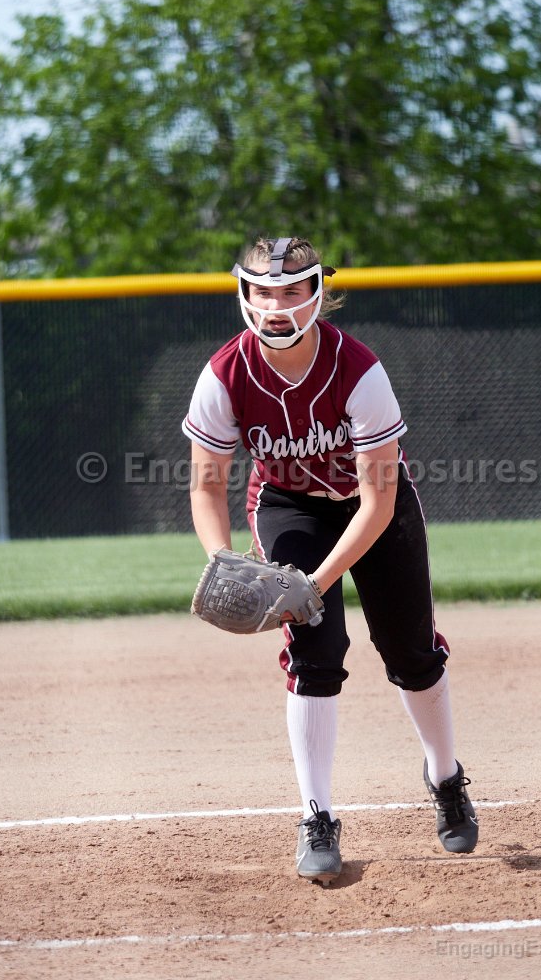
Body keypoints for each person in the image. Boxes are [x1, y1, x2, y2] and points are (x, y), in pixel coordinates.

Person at [182, 236, 478, 885]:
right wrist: (224, 560)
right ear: (244, 295)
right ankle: (316, 816)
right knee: (314, 648)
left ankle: (445, 778)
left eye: (292, 289)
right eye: (263, 291)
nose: (276, 305)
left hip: (373, 508)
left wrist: (313, 583)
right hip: (288, 507)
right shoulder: (225, 375)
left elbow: (378, 500)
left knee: (410, 651)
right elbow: (206, 487)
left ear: (318, 292)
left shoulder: (360, 369)